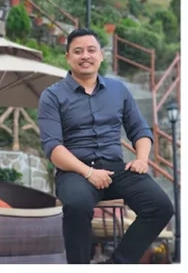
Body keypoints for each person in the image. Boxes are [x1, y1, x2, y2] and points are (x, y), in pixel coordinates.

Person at [38, 28, 175, 264]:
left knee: (161, 206)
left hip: (116, 169)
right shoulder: (52, 96)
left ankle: (116, 265)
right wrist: (89, 173)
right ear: (68, 57)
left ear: (101, 55)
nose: (85, 56)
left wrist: (142, 159)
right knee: (77, 205)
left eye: (91, 50)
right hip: (75, 172)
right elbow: (53, 148)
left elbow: (140, 131)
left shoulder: (118, 90)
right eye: (78, 51)